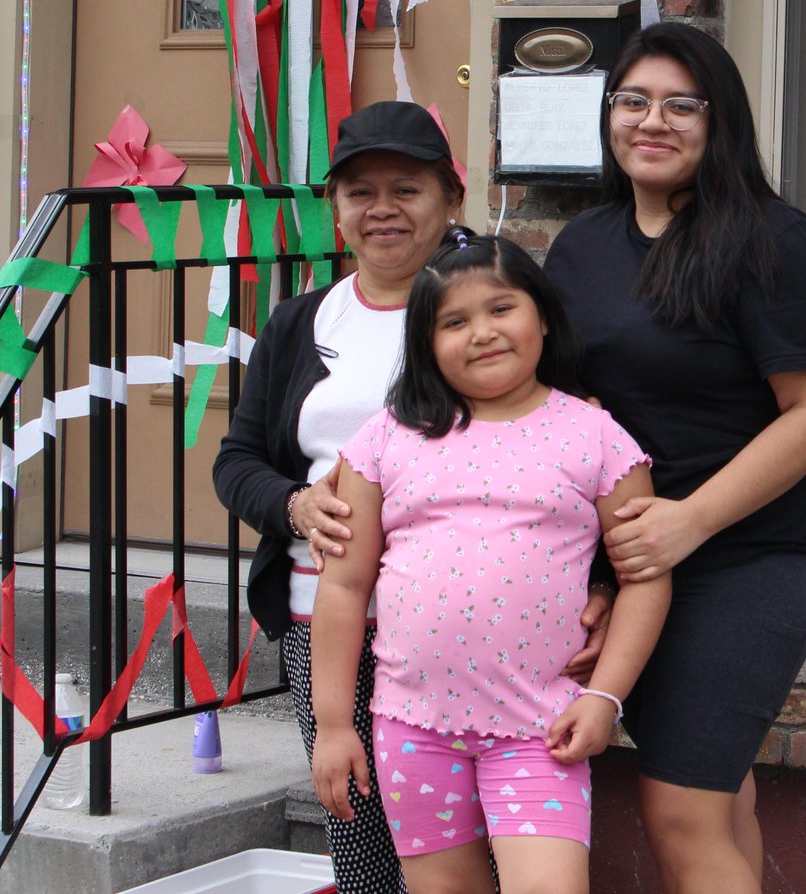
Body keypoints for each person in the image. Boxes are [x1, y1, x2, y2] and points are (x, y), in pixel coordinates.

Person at [213, 101, 612, 894]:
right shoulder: (300, 323)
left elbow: (574, 457)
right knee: (363, 840)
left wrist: (599, 578)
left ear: (452, 197)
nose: (382, 209)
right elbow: (238, 459)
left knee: (509, 842)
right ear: (336, 207)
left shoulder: (495, 311)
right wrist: (293, 504)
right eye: (361, 192)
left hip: (489, 640)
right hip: (325, 617)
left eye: (407, 188)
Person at [542, 22, 806, 894]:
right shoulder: (582, 247)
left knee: (681, 808)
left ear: (722, 123)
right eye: (633, 101)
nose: (654, 121)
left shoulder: (773, 241)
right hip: (631, 567)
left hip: (743, 563)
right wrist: (599, 574)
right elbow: (574, 413)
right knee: (720, 803)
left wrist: (689, 522)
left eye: (682, 105)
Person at [309, 230, 671, 894]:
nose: (482, 332)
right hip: (412, 726)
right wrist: (334, 724)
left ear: (540, 314)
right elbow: (344, 584)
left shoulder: (595, 436)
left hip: (544, 729)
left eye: (501, 308)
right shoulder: (387, 439)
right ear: (425, 342)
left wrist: (605, 698)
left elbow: (644, 578)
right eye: (454, 320)